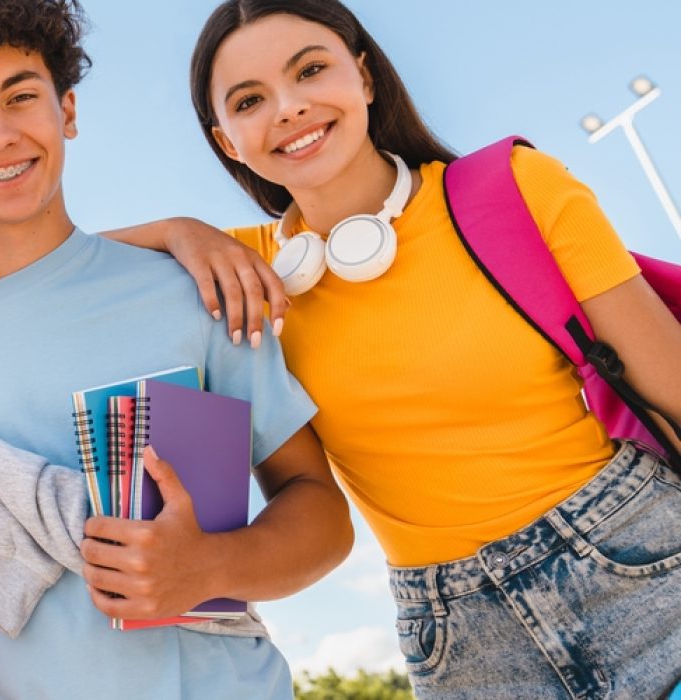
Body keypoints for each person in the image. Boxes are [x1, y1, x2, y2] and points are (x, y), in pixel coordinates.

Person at [168, 1, 681, 697]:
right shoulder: (245, 281)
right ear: (228, 142)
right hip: (463, 640)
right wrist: (177, 230)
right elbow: (62, 265)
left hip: (643, 559)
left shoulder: (514, 188)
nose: (288, 109)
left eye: (311, 70)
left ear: (365, 76)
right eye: (249, 100)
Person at [0, 1, 354, 697]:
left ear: (69, 113)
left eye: (22, 97)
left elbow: (321, 512)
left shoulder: (195, 291)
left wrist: (208, 567)